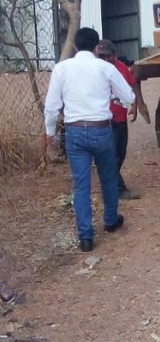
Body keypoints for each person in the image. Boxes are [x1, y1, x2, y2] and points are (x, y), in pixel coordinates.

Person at [43, 27, 135, 252]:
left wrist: (50, 133)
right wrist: (114, 98)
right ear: (96, 47)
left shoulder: (61, 68)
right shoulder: (106, 68)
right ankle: (111, 220)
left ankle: (86, 237)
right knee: (108, 177)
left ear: (75, 46)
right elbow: (129, 96)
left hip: (74, 133)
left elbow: (52, 107)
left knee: (81, 185)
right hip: (102, 130)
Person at [95, 40, 146, 200]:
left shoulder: (120, 68)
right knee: (112, 154)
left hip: (119, 117)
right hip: (104, 119)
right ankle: (117, 188)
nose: (104, 59)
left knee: (120, 152)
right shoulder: (94, 69)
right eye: (101, 56)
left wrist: (136, 104)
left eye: (107, 56)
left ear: (114, 55)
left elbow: (132, 84)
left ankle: (110, 182)